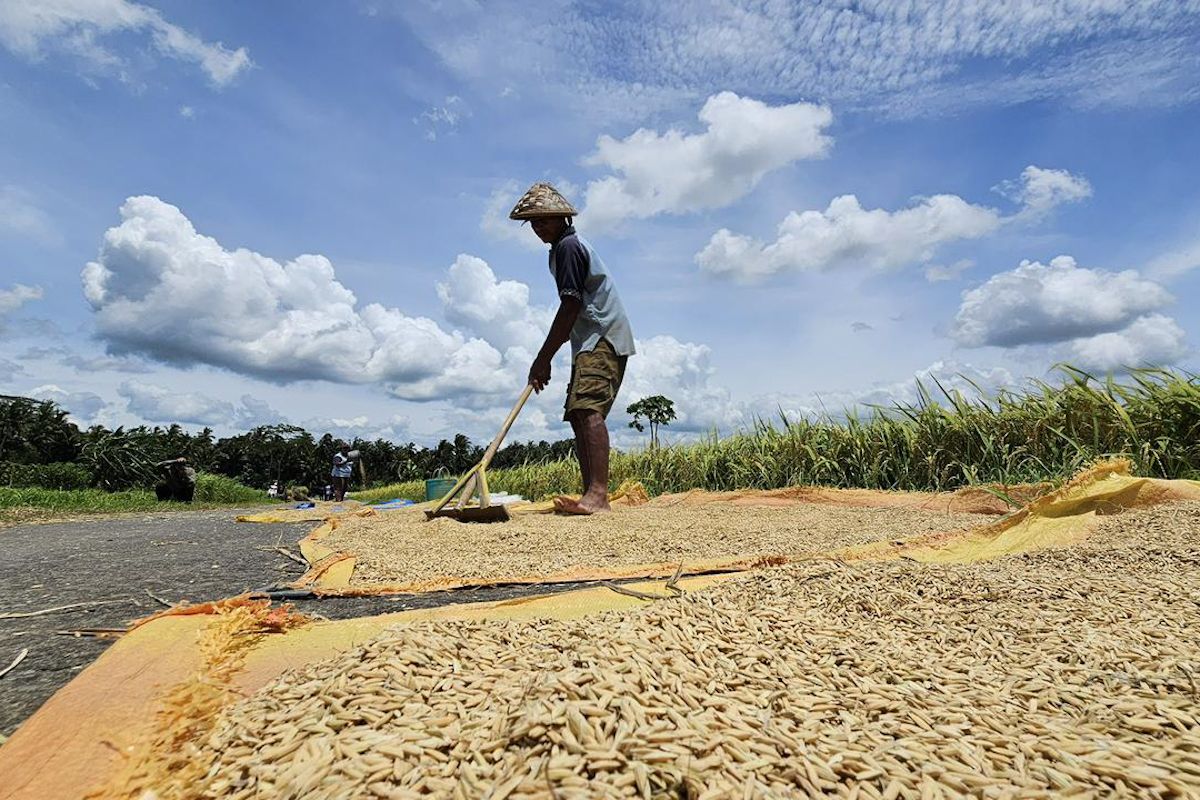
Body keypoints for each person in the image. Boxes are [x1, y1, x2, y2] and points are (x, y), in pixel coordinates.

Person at [509, 182, 635, 515]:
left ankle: (598, 496)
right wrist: (550, 356)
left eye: (544, 220)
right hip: (589, 340)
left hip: (602, 337)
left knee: (588, 408)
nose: (538, 228)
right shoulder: (559, 250)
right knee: (578, 412)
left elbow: (570, 307)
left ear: (562, 218)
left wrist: (542, 358)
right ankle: (590, 494)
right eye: (533, 223)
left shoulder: (569, 247)